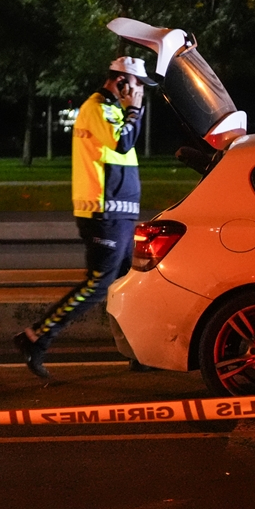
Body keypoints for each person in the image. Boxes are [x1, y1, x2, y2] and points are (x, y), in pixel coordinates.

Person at [13, 57, 156, 378]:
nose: (140, 93)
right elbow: (122, 142)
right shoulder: (98, 108)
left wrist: (132, 109)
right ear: (121, 82)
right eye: (137, 86)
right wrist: (133, 109)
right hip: (104, 213)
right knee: (99, 282)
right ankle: (37, 337)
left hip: (118, 212)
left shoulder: (112, 109)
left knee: (125, 286)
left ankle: (138, 352)